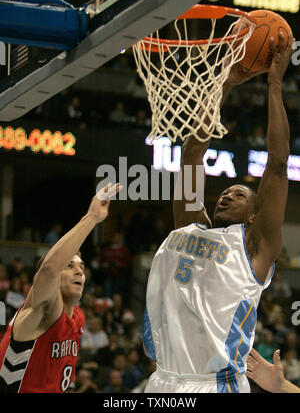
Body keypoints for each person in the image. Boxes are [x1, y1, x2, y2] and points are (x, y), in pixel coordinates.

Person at [142, 33, 293, 393]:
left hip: (215, 384)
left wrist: (274, 84)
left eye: (239, 194)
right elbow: (193, 154)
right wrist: (223, 84)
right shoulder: (191, 225)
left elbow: (277, 163)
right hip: (162, 381)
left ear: (255, 216)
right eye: (225, 191)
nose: (226, 194)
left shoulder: (256, 249)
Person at [0, 183, 121, 393]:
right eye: (69, 266)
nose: (79, 272)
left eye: (81, 267)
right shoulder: (42, 310)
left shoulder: (78, 317)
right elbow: (49, 269)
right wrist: (91, 218)